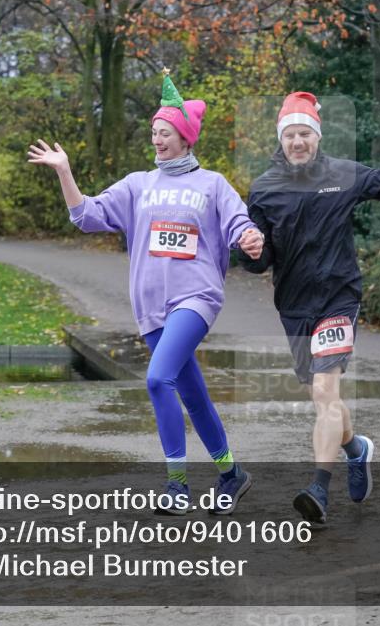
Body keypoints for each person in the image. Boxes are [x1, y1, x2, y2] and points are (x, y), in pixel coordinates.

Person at [28, 72, 264, 516]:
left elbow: (239, 223)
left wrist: (249, 237)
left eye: (165, 133)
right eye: (154, 132)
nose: (157, 140)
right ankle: (232, 475)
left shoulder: (212, 185)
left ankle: (177, 486)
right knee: (191, 393)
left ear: (185, 138)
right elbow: (86, 215)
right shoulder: (139, 184)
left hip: (196, 298)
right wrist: (65, 172)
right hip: (150, 308)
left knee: (158, 379)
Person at [237, 91, 380, 523]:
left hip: (338, 296)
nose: (298, 141)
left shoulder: (343, 174)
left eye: (306, 133)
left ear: (317, 137)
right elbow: (259, 259)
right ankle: (356, 449)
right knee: (326, 400)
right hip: (294, 305)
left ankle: (318, 489)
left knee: (325, 391)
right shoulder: (264, 188)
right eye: (291, 135)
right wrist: (249, 249)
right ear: (280, 140)